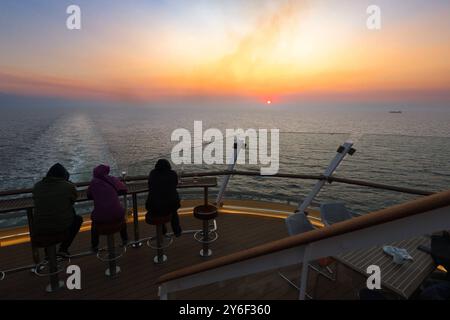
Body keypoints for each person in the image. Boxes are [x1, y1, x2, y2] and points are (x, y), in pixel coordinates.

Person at [32, 163, 83, 257]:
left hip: (38, 230)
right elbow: (73, 199)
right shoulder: (68, 186)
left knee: (50, 218)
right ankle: (63, 249)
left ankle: (48, 254)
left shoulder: (37, 186)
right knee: (77, 219)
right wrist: (69, 184)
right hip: (60, 229)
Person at [87, 164, 129, 251]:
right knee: (121, 216)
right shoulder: (113, 179)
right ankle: (125, 239)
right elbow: (124, 189)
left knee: (94, 223)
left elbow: (89, 195)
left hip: (101, 218)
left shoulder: (93, 182)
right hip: (117, 215)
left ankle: (94, 246)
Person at [145, 159, 182, 237]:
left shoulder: (153, 173)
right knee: (173, 210)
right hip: (171, 205)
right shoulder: (172, 174)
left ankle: (162, 230)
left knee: (159, 208)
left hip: (154, 207)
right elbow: (175, 184)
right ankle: (177, 231)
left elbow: (150, 185)